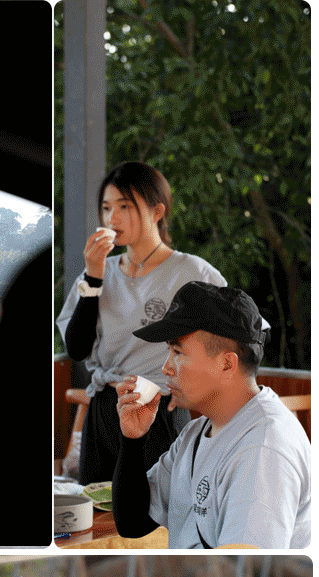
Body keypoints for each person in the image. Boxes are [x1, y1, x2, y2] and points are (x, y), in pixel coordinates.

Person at [56, 161, 227, 484]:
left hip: (158, 409)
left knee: (155, 520)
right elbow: (77, 349)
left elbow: (238, 338)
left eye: (125, 206)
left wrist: (197, 389)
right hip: (104, 408)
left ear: (157, 211)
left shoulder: (192, 272)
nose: (112, 219)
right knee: (96, 516)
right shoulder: (97, 272)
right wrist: (93, 275)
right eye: (106, 208)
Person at [112, 282, 310, 549]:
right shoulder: (196, 432)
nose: (166, 367)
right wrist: (132, 440)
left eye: (178, 352)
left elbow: (245, 568)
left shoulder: (265, 448)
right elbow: (133, 524)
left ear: (227, 363)